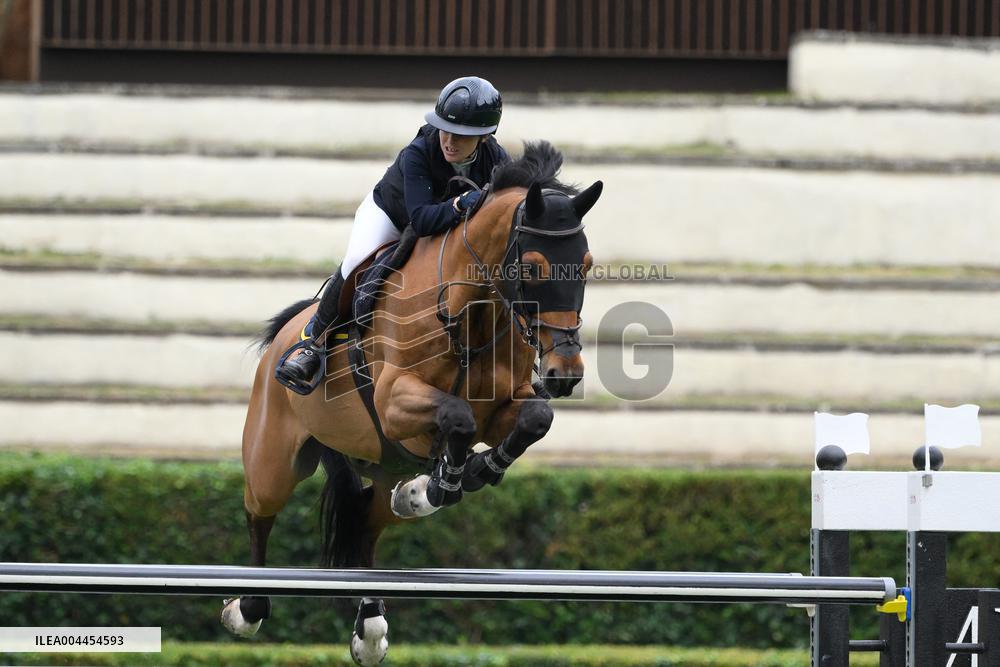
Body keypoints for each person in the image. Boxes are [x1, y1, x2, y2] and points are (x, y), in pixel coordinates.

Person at [275, 76, 511, 394]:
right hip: (392, 217)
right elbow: (422, 220)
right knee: (356, 263)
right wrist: (463, 202)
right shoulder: (418, 152)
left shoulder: (497, 159)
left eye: (461, 136)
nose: (449, 141)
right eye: (445, 129)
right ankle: (313, 343)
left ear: (484, 138)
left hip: (449, 230)